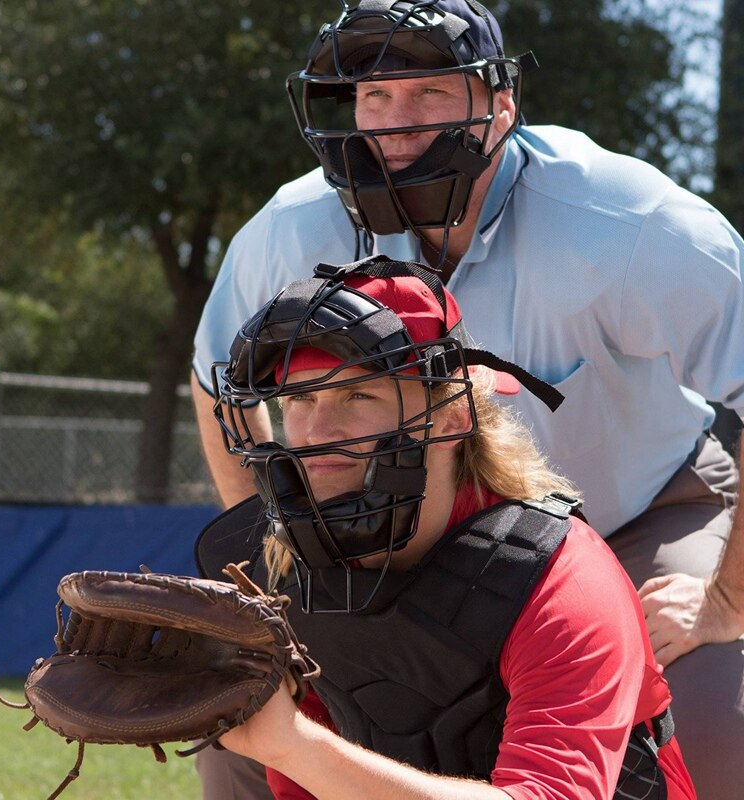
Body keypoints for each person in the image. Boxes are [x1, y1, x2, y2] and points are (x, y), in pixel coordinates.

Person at [191, 1, 744, 796]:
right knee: (240, 732)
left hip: (640, 512)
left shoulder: (625, 221)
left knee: (712, 720)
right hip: (399, 539)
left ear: (501, 107)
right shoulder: (293, 223)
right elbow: (219, 385)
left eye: (429, 93)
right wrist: (279, 562)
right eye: (373, 98)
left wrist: (726, 601)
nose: (395, 121)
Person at [202, 258, 696, 799]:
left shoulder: (559, 580)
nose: (318, 432)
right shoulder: (299, 572)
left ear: (455, 416)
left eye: (358, 395)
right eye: (300, 398)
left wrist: (291, 744)